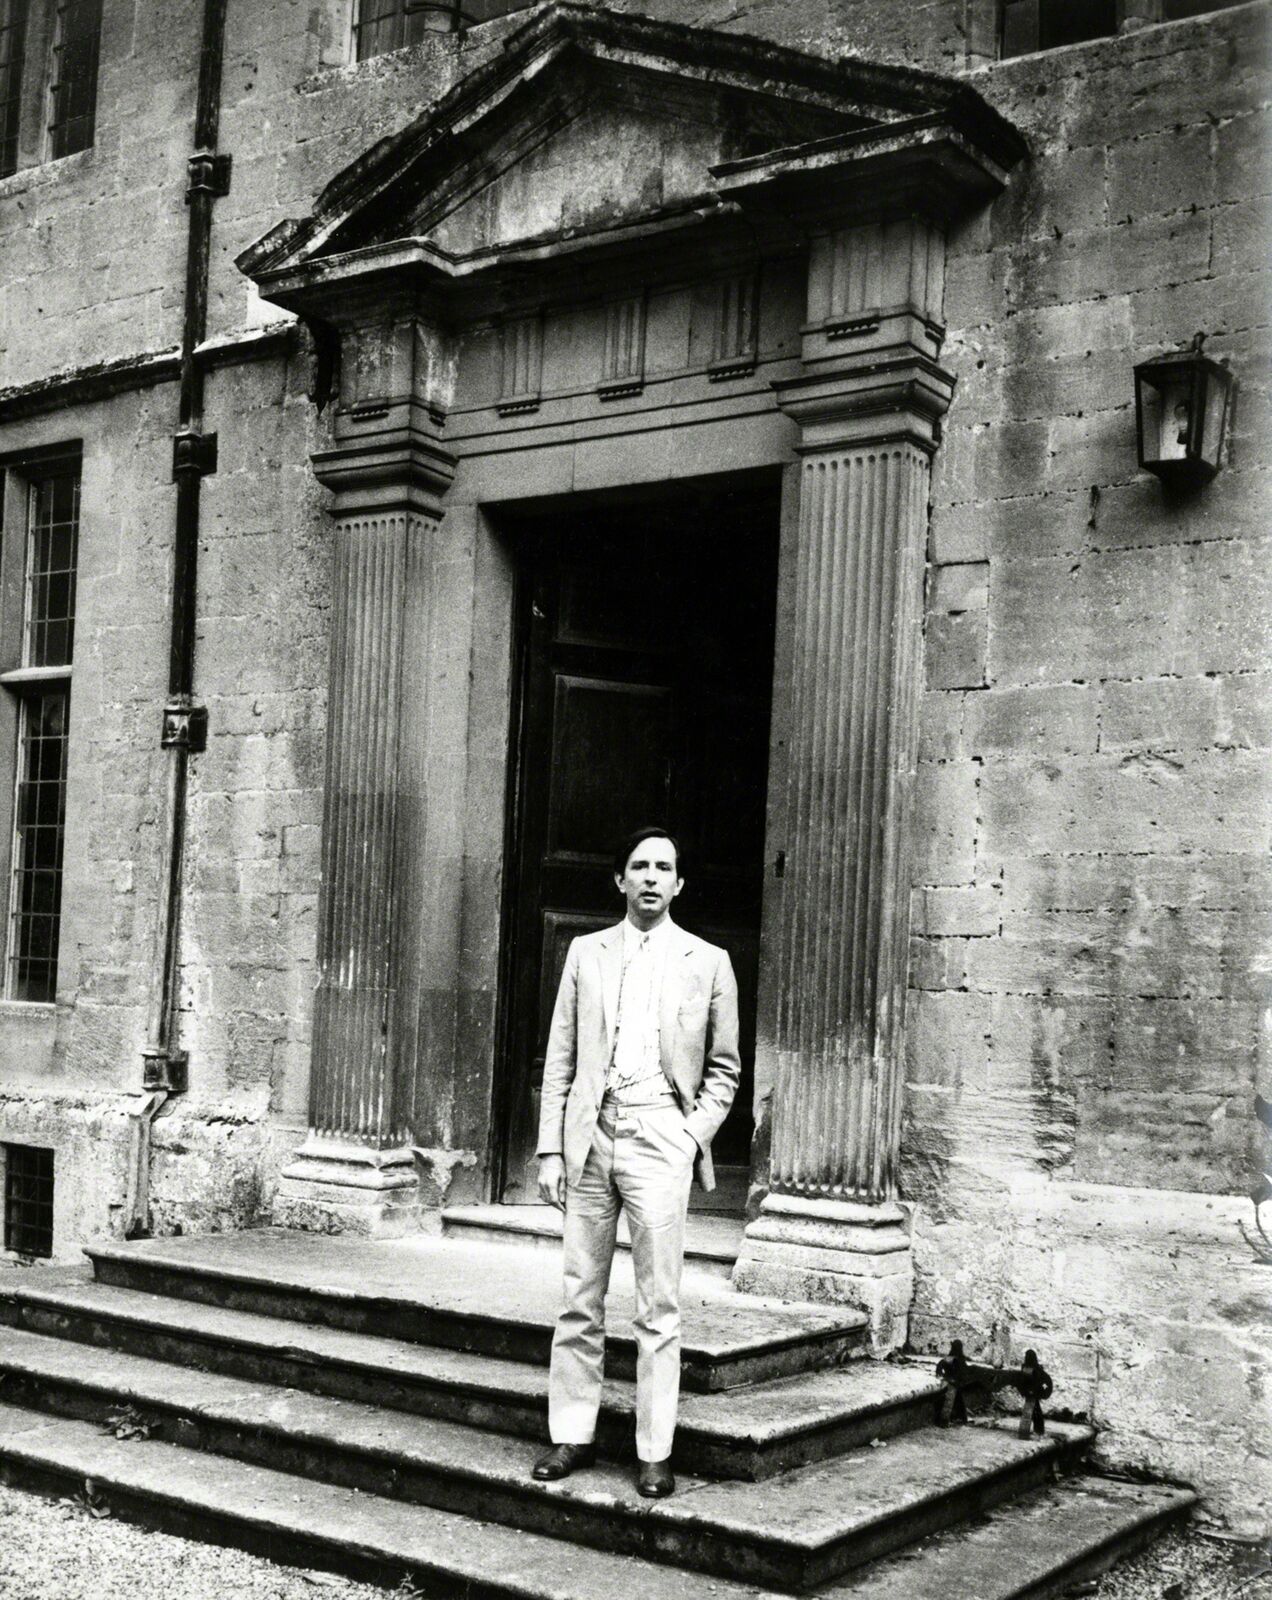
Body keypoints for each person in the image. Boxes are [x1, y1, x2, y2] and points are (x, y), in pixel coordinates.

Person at [531, 826, 741, 1499]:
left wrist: (687, 1137)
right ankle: (571, 1436)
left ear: (679, 884)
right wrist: (552, 1149)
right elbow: (561, 1059)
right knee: (578, 1296)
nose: (650, 878)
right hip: (593, 1138)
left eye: (664, 868)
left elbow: (725, 1072)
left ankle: (654, 1450)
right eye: (639, 867)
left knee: (659, 1305)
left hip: (661, 1139)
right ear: (619, 880)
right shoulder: (585, 954)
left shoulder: (708, 961)